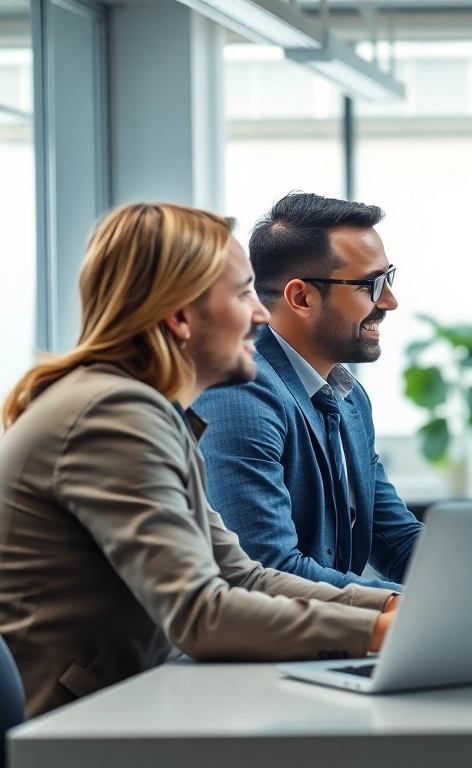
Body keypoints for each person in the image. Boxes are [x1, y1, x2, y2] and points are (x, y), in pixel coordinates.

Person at [0, 203, 398, 719]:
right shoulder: (113, 413)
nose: (260, 315)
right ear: (179, 316)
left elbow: (242, 577)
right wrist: (379, 631)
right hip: (73, 728)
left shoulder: (145, 409)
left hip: (123, 708)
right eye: (241, 295)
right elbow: (200, 614)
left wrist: (391, 608)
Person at [193, 193, 421, 591]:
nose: (390, 301)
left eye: (390, 277)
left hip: (328, 643)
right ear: (301, 297)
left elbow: (396, 543)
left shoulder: (349, 398)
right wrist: (424, 604)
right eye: (372, 284)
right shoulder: (238, 392)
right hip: (264, 647)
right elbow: (267, 572)